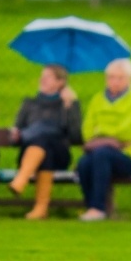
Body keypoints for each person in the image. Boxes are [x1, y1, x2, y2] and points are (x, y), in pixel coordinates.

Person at [76, 58, 131, 221]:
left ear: (129, 79)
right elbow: (87, 130)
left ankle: (98, 208)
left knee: (101, 154)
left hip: (130, 156)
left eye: (120, 78)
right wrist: (111, 140)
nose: (115, 81)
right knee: (84, 162)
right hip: (102, 153)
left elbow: (129, 131)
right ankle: (91, 207)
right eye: (111, 77)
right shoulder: (97, 100)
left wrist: (101, 135)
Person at [8, 64, 82, 219]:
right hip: (29, 156)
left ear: (60, 82)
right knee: (43, 145)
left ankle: (21, 180)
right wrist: (15, 135)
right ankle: (41, 208)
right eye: (42, 76)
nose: (42, 79)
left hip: (59, 156)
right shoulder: (29, 103)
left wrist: (70, 108)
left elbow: (76, 136)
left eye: (48, 77)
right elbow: (16, 137)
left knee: (45, 140)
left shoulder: (68, 104)